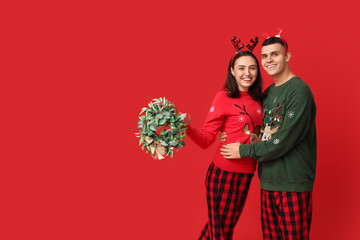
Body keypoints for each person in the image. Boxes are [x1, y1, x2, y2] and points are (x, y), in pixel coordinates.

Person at [220, 34, 317, 240]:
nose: (269, 60)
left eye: (275, 54)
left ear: (287, 56)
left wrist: (243, 151)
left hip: (293, 185)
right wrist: (225, 132)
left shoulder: (299, 91)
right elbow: (254, 127)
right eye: (264, 56)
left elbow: (283, 140)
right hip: (268, 183)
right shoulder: (268, 93)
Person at [186, 36, 263, 240]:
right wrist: (187, 127)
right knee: (220, 234)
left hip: (246, 175)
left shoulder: (261, 100)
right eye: (241, 68)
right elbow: (205, 140)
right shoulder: (223, 98)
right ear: (232, 70)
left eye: (252, 68)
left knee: (218, 232)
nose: (247, 73)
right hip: (222, 175)